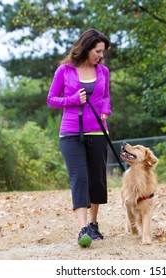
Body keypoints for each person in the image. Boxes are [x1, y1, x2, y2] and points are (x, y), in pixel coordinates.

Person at [47, 29, 111, 247]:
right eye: (98, 51)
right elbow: (51, 99)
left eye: (102, 52)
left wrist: (106, 110)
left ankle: (93, 223)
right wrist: (72, 99)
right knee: (79, 178)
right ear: (87, 47)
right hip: (71, 133)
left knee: (97, 180)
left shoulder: (103, 71)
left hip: (97, 131)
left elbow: (106, 97)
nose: (100, 56)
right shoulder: (64, 71)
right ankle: (83, 228)